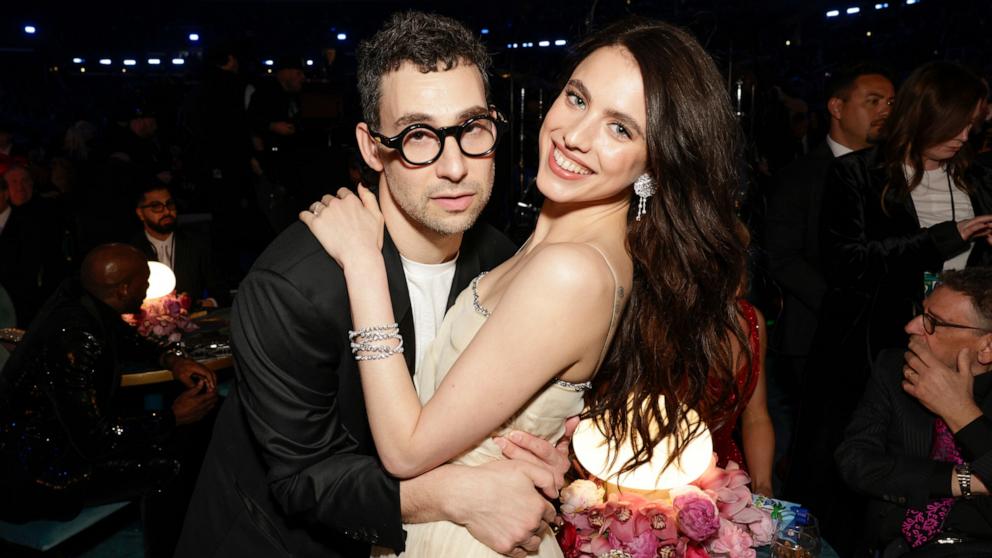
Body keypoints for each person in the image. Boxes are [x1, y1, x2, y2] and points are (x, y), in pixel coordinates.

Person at [303, 16, 748, 557]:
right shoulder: (550, 247)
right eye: (578, 99)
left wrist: (364, 265)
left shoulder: (573, 270)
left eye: (620, 128)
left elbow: (404, 451)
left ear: (654, 162)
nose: (575, 137)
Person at [176, 12, 573, 558]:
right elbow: (302, 480)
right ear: (370, 147)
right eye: (417, 136)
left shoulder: (499, 257)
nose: (455, 166)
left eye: (473, 129)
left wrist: (544, 454)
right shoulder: (292, 286)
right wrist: (453, 493)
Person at [791, 61, 992, 554]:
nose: (964, 137)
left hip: (964, 351)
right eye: (955, 124)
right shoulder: (858, 173)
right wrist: (943, 239)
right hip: (873, 350)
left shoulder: (977, 180)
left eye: (974, 125)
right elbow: (848, 265)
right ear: (925, 114)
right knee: (859, 481)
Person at [0, 244, 218, 555]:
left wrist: (170, 359)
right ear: (124, 288)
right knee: (173, 466)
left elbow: (121, 336)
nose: (147, 287)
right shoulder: (77, 336)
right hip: (37, 474)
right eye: (144, 281)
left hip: (42, 449)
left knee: (182, 443)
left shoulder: (78, 296)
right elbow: (95, 439)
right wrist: (173, 417)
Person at [765, 66, 895, 459]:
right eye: (873, 101)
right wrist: (845, 308)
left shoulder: (893, 176)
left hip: (883, 337)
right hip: (815, 333)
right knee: (816, 448)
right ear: (837, 107)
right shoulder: (799, 176)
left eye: (891, 102)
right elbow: (782, 258)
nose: (885, 111)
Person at [836, 268, 992, 556]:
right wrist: (960, 480)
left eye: (933, 323)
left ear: (987, 347)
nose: (911, 327)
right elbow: (854, 460)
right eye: (922, 312)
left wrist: (961, 413)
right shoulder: (894, 366)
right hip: (896, 545)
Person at [129, 182, 228, 307]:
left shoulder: (197, 242)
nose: (166, 211)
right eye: (156, 206)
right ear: (140, 213)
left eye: (170, 204)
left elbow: (221, 290)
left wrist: (208, 303)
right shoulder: (131, 251)